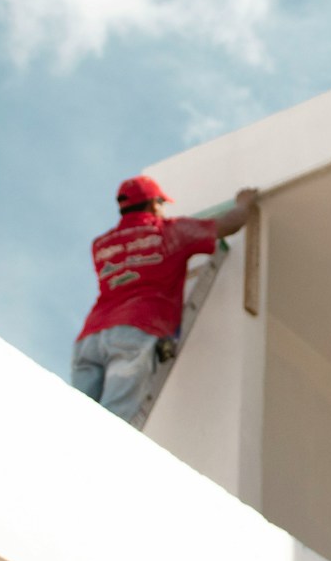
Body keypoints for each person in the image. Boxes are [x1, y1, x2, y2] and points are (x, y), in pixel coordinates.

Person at [72, 176, 259, 422]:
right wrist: (244, 205)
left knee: (75, 420)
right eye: (162, 203)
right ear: (153, 203)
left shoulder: (101, 245)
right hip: (135, 329)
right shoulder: (169, 232)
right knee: (114, 422)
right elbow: (228, 225)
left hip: (89, 339)